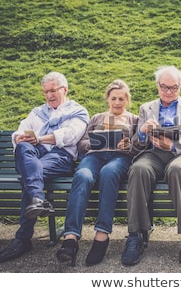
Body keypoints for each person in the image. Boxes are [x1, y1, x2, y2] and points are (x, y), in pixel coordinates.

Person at [0, 71, 89, 263]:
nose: (49, 95)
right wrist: (20, 137)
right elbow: (20, 129)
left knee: (31, 175)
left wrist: (40, 138)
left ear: (65, 89)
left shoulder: (78, 111)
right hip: (34, 154)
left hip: (59, 156)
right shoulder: (37, 112)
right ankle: (38, 198)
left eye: (53, 90)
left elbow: (70, 135)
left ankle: (22, 239)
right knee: (24, 149)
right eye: (45, 92)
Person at [121, 65, 181, 266]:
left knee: (177, 170)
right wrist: (142, 132)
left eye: (173, 88)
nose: (168, 92)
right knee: (138, 169)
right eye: (164, 87)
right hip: (154, 154)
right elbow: (136, 146)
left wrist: (173, 145)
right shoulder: (146, 108)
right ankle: (135, 236)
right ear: (157, 85)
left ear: (180, 86)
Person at [56, 79, 139, 267]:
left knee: (109, 174)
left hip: (119, 158)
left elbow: (139, 147)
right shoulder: (97, 118)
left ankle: (102, 235)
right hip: (95, 156)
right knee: (82, 176)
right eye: (113, 98)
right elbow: (81, 144)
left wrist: (129, 145)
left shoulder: (134, 119)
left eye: (121, 99)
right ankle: (70, 239)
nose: (117, 102)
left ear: (127, 100)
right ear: (107, 99)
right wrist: (96, 142)